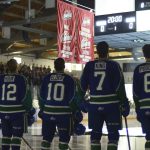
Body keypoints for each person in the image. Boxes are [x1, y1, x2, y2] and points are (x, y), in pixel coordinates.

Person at [80, 41, 130, 150]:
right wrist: (124, 103)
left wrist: (81, 102)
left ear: (97, 52)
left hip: (94, 106)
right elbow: (119, 87)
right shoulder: (114, 65)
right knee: (113, 135)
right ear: (108, 51)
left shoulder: (89, 66)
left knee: (95, 135)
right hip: (112, 106)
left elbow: (81, 87)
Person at [39, 57, 84, 150]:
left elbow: (41, 96)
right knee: (63, 140)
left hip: (48, 113)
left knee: (46, 140)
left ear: (54, 66)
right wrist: (75, 111)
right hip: (64, 114)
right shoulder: (69, 79)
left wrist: (43, 109)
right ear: (64, 66)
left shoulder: (47, 78)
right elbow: (72, 98)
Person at [0, 59, 33, 150]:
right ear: (17, 67)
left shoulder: (1, 78)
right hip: (17, 113)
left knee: (5, 137)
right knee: (16, 137)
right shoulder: (21, 78)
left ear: (7, 67)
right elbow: (26, 96)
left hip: (3, 111)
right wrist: (29, 109)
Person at [133, 44, 150, 150]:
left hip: (143, 107)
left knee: (148, 138)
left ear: (144, 54)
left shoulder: (138, 69)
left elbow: (135, 93)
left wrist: (137, 109)